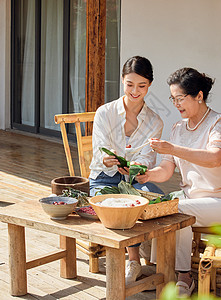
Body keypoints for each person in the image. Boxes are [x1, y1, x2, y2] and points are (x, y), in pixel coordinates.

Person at [136, 67, 221, 296]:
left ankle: (185, 277)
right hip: (195, 199)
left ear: (199, 95)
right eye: (173, 98)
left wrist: (173, 148)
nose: (176, 104)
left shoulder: (219, 123)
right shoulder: (178, 128)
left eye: (180, 98)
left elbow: (214, 158)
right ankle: (162, 270)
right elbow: (167, 168)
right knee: (157, 205)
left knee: (178, 210)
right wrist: (148, 175)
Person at [89, 56, 164, 284]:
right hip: (104, 177)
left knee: (158, 201)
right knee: (118, 207)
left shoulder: (155, 121)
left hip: (134, 179)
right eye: (130, 84)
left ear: (149, 84)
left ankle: (156, 261)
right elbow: (99, 150)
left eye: (141, 85)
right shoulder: (105, 112)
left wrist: (135, 168)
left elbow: (147, 159)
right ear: (122, 81)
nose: (135, 91)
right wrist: (107, 159)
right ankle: (134, 262)